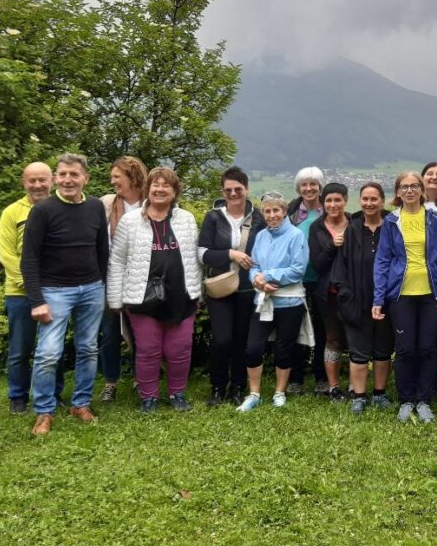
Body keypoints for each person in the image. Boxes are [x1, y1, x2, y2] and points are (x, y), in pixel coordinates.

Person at [21, 153, 109, 436]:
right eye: (62, 174)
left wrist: (104, 287)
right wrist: (37, 300)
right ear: (56, 177)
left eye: (74, 174)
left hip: (92, 289)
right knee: (48, 353)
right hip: (54, 291)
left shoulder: (96, 207)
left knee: (88, 348)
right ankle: (44, 411)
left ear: (86, 178)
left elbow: (102, 251)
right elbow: (29, 259)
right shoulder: (43, 210)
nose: (68, 179)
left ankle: (80, 403)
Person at [107, 167, 201, 413]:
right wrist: (116, 299)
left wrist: (196, 291)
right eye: (155, 185)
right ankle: (148, 397)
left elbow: (194, 259)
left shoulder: (187, 219)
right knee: (148, 350)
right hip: (141, 297)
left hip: (181, 296)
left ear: (175, 191)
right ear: (147, 189)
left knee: (178, 350)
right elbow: (117, 261)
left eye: (166, 186)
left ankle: (177, 393)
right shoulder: (130, 221)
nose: (160, 189)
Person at [373, 171, 437, 424]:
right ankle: (406, 399)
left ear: (421, 190)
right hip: (400, 295)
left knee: (428, 348)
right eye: (404, 187)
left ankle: (424, 400)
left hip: (431, 294)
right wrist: (378, 298)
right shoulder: (390, 222)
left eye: (414, 186)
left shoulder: (435, 220)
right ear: (398, 192)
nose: (409, 190)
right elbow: (383, 260)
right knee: (406, 349)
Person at [198, 166, 266, 406]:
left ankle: (238, 385)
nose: (234, 194)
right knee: (221, 339)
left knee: (241, 339)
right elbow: (202, 253)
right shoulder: (213, 218)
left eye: (238, 189)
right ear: (223, 191)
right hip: (221, 287)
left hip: (249, 288)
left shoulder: (259, 218)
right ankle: (217, 386)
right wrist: (231, 254)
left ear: (246, 189)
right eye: (229, 190)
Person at [0, 162, 62, 414]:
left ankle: (54, 394)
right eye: (31, 180)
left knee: (52, 347)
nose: (37, 185)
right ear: (23, 183)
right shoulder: (12, 212)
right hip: (20, 292)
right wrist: (33, 285)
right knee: (20, 348)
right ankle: (17, 395)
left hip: (55, 290)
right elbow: (7, 256)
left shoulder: (61, 209)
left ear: (53, 180)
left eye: (42, 180)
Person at [238, 191, 309, 411]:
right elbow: (255, 265)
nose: (272, 215)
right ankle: (254, 393)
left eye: (276, 210)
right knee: (253, 347)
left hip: (289, 302)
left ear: (284, 211)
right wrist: (257, 280)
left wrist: (267, 277)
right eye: (267, 211)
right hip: (264, 300)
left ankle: (279, 392)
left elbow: (297, 270)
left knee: (284, 348)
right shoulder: (261, 236)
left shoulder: (296, 235)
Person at [330, 182, 394, 414]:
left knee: (383, 350)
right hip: (356, 300)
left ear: (382, 201)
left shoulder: (392, 228)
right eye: (365, 199)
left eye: (373, 199)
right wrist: (346, 294)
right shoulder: (353, 229)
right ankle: (359, 395)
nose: (369, 203)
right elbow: (340, 268)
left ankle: (379, 393)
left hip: (386, 301)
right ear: (360, 201)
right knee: (358, 351)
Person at [98, 155, 148, 403]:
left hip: (142, 277)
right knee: (109, 333)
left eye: (117, 176)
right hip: (110, 278)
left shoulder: (149, 205)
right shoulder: (107, 204)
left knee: (140, 331)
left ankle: (141, 379)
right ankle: (110, 382)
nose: (112, 181)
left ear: (132, 176)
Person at [308, 183, 351, 400]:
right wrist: (333, 245)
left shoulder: (355, 222)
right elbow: (317, 264)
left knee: (354, 337)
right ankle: (334, 386)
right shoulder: (317, 228)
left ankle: (355, 385)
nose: (333, 205)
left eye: (337, 200)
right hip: (327, 293)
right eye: (328, 201)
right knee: (333, 337)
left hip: (353, 291)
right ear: (323, 203)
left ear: (345, 200)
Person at [287, 166, 326, 395]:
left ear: (320, 187)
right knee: (295, 328)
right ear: (299, 188)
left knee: (322, 329)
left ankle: (321, 377)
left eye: (313, 184)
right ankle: (296, 379)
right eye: (304, 184)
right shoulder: (291, 213)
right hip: (296, 280)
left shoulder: (328, 210)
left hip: (322, 279)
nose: (309, 188)